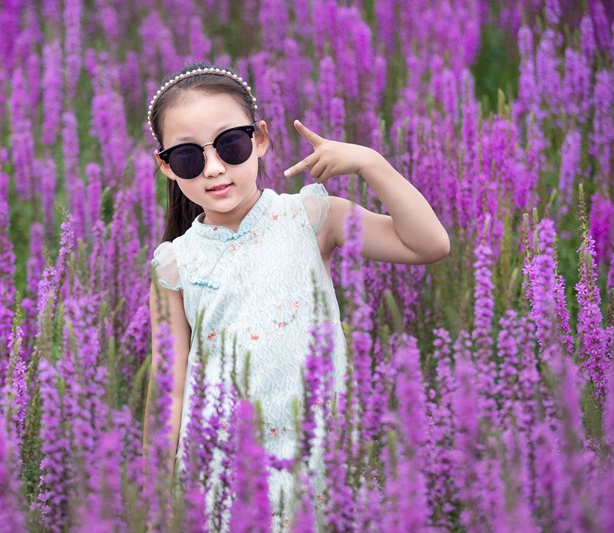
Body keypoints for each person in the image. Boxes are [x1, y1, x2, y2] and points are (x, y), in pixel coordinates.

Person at [143, 63, 449, 530]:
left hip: (316, 462)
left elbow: (428, 244)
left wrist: (370, 162)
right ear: (166, 166)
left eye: (231, 145)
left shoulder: (310, 217)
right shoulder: (173, 264)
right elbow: (170, 384)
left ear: (260, 139)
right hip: (218, 476)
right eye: (188, 157)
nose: (214, 168)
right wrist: (157, 495)